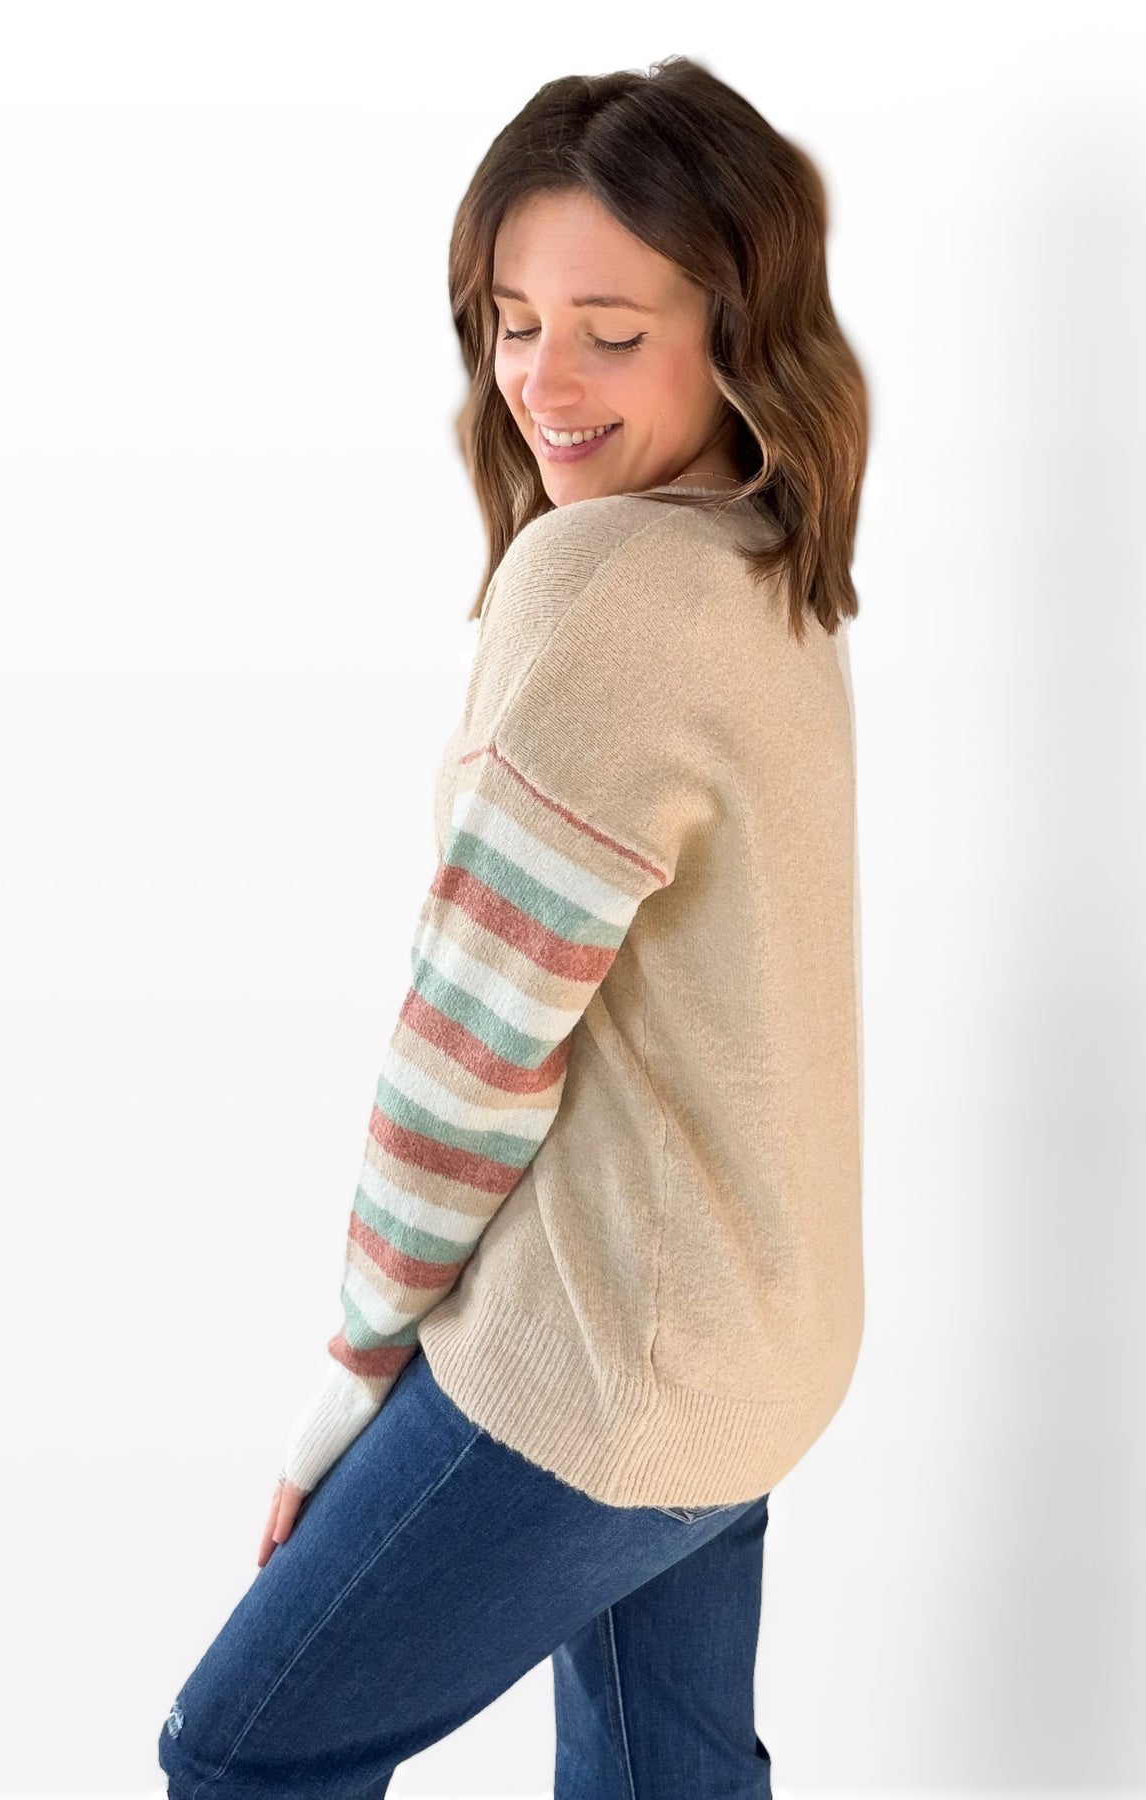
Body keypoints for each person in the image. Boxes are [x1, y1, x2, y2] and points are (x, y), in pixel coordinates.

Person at [157, 52, 868, 1800]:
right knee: (663, 1773)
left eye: (612, 332)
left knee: (243, 1756)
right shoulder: (768, 553)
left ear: (736, 324)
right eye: (510, 317)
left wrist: (353, 1374)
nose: (545, 380)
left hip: (606, 1364)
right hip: (759, 1344)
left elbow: (470, 1051)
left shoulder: (605, 587)